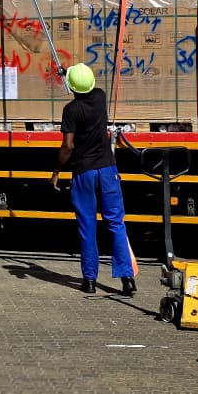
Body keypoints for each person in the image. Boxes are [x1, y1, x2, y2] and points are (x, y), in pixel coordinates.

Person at [50, 63, 137, 297]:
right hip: (107, 169)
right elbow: (82, 84)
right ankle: (127, 279)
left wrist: (56, 171)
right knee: (116, 223)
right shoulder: (100, 97)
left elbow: (68, 146)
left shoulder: (70, 110)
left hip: (84, 172)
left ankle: (89, 281)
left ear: (71, 87)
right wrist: (68, 74)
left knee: (87, 226)